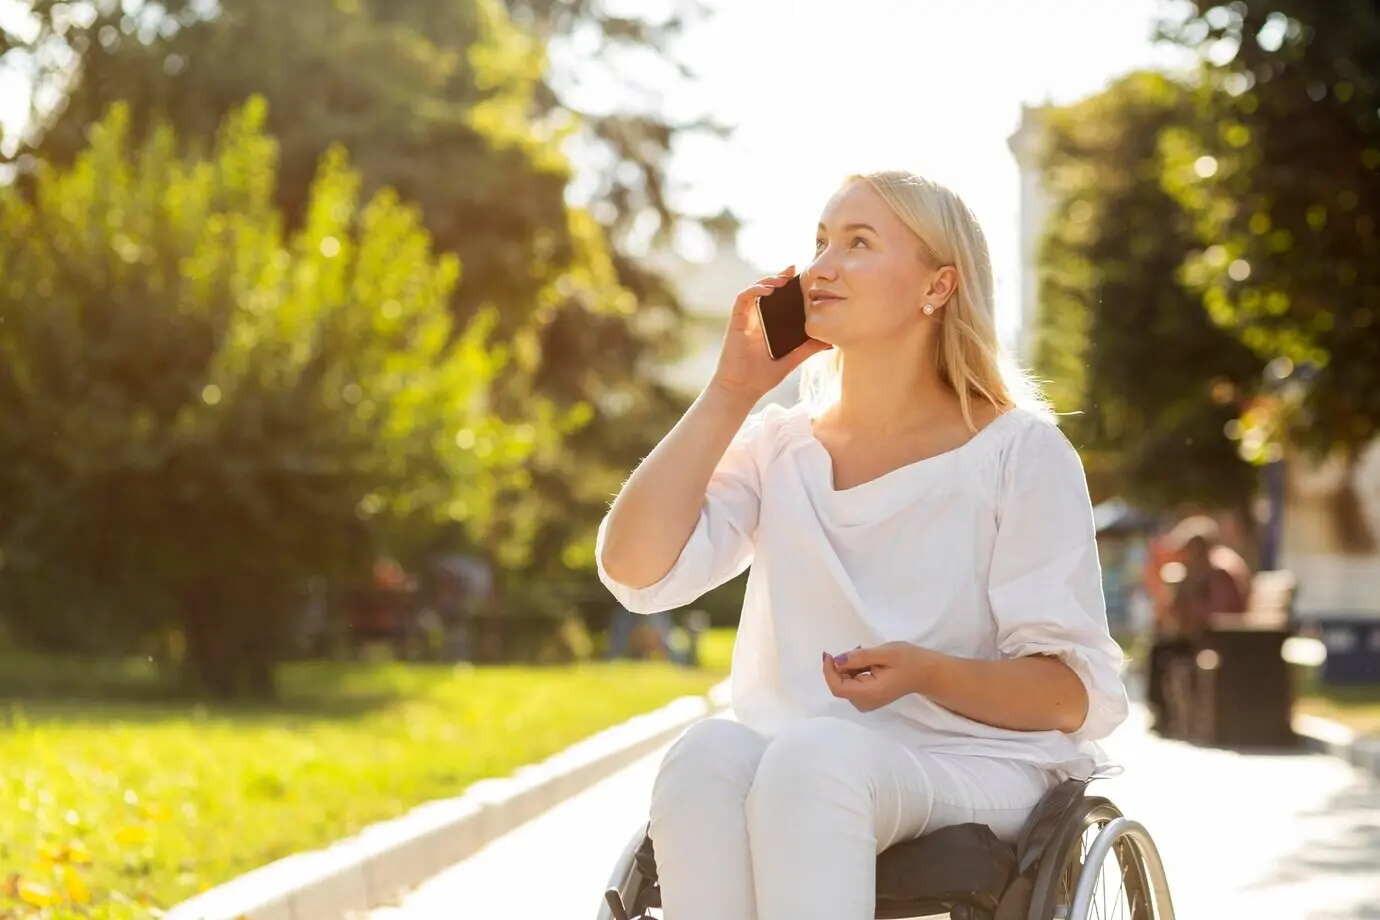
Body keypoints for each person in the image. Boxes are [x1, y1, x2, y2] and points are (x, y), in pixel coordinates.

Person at [596, 170, 1129, 920]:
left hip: (974, 763)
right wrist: (731, 390)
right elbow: (633, 569)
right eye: (819, 243)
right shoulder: (781, 446)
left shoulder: (1019, 454)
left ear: (938, 287)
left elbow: (1071, 693)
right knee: (706, 756)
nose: (822, 267)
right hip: (804, 758)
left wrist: (924, 672)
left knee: (817, 759)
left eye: (858, 243)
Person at [1145, 515, 1251, 733]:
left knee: (1165, 652)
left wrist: (1191, 613)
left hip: (1219, 639)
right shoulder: (1193, 573)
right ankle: (1162, 714)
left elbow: (1222, 611)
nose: (1187, 556)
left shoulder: (1220, 572)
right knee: (1158, 649)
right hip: (1198, 637)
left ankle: (1168, 717)